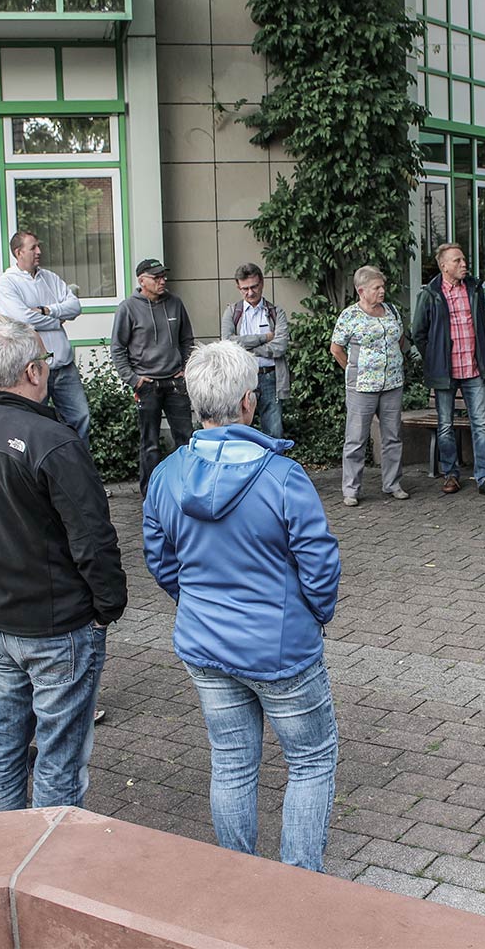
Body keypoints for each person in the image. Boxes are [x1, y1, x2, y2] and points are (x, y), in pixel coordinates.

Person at [142, 341, 341, 872]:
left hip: (204, 644)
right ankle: (299, 884)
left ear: (192, 402)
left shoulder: (165, 476)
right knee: (312, 760)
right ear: (249, 402)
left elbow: (160, 561)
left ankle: (241, 882)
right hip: (281, 648)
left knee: (231, 763)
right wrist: (315, 615)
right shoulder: (283, 476)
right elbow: (319, 563)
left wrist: (195, 603)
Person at [0, 317, 127, 812]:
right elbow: (92, 537)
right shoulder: (55, 441)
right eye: (44, 361)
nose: (47, 369)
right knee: (58, 754)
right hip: (56, 624)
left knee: (3, 744)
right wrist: (107, 604)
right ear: (32, 371)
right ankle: (48, 861)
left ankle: (4, 851)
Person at [413, 243, 485, 498]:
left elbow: (482, 327)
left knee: (480, 425)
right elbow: (419, 332)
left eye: (464, 260)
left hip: (474, 369)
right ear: (444, 266)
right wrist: (434, 356)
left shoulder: (474, 288)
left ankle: (484, 477)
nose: (464, 264)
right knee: (445, 426)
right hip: (445, 372)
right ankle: (451, 473)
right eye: (458, 261)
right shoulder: (430, 294)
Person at [110, 258, 196, 493]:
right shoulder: (128, 308)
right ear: (141, 280)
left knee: (186, 438)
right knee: (149, 443)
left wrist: (186, 368)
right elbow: (117, 348)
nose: (162, 280)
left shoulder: (175, 303)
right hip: (146, 385)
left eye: (163, 276)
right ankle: (150, 493)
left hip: (175, 382)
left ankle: (186, 487)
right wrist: (133, 379)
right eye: (156, 277)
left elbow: (187, 340)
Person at [0, 230, 90, 441]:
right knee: (35, 424)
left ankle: (78, 467)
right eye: (33, 248)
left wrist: (47, 310)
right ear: (19, 252)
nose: (39, 251)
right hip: (32, 370)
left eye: (39, 246)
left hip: (64, 366)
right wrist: (57, 321)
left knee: (81, 417)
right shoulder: (7, 283)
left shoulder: (50, 278)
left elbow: (75, 307)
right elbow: (22, 319)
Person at [329, 266, 408, 507]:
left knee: (393, 436)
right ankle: (351, 489)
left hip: (392, 383)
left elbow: (401, 338)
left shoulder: (391, 310)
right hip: (362, 386)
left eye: (383, 286)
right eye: (377, 287)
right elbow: (336, 349)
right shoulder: (350, 316)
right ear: (361, 291)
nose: (382, 291)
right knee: (356, 439)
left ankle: (392, 483)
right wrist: (353, 371)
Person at [219, 263, 289, 438]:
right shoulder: (232, 312)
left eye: (254, 287)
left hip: (269, 376)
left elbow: (279, 347)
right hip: (240, 377)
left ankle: (273, 464)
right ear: (238, 287)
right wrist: (264, 337)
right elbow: (227, 343)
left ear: (262, 283)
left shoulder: (275, 312)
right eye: (245, 289)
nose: (250, 293)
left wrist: (243, 346)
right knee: (238, 430)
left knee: (274, 430)